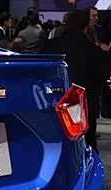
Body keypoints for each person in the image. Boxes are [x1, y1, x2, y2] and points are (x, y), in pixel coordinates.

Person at [44, 10, 103, 152]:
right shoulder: (92, 50)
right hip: (84, 103)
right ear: (86, 26)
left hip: (53, 100)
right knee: (87, 146)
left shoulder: (50, 46)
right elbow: (102, 75)